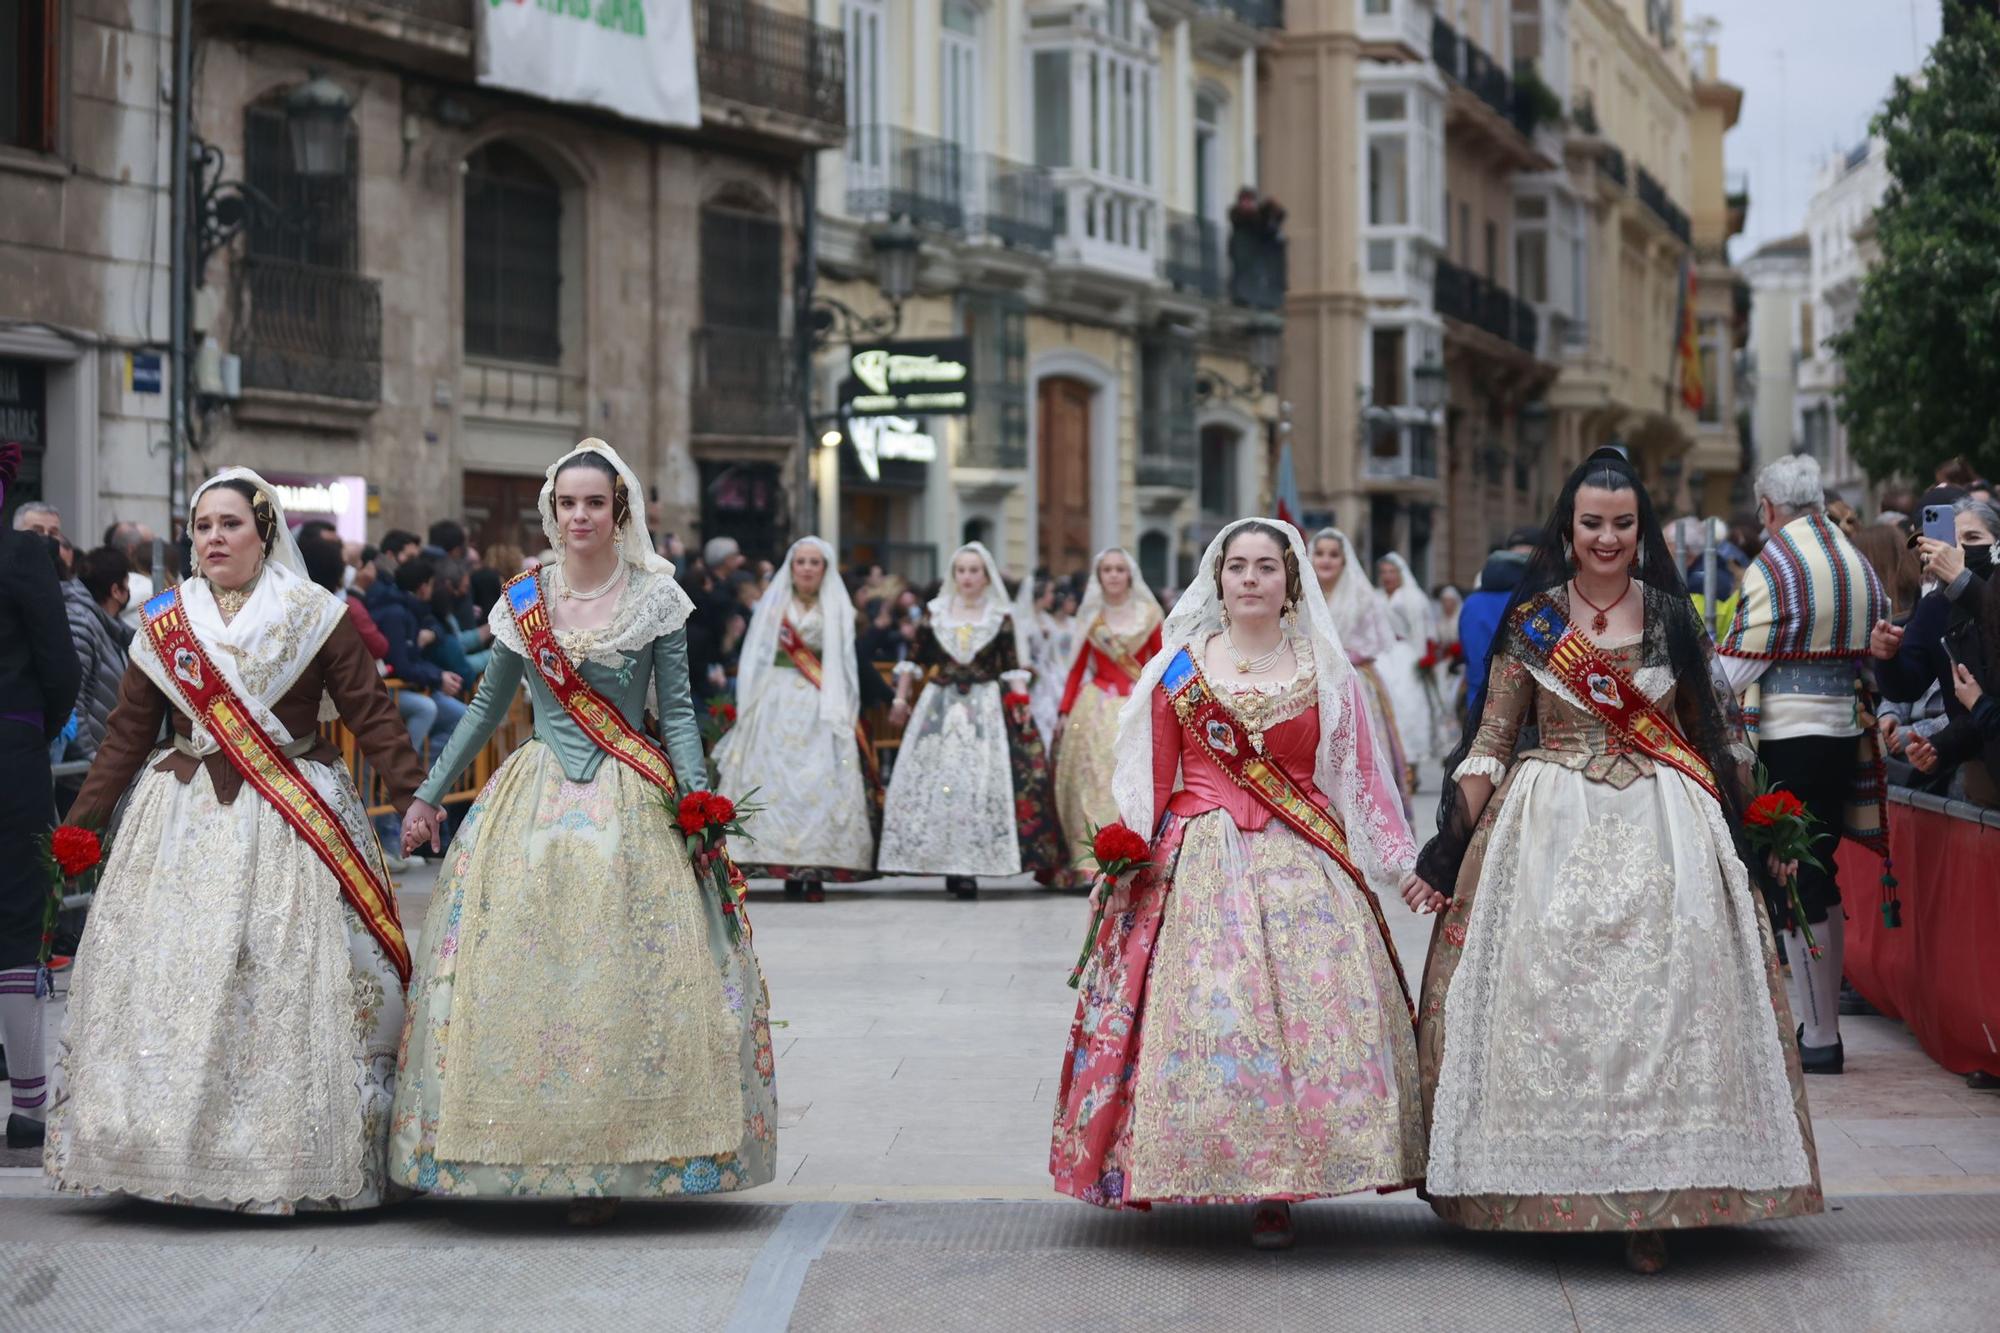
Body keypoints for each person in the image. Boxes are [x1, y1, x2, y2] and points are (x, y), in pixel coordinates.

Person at [1405, 447, 1821, 1275]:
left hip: (1671, 827)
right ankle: (1553, 1185)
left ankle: (1659, 1200)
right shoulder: (1534, 625)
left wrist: (1763, 831)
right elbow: (1491, 743)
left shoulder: (1674, 616)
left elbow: (1719, 734)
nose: (1606, 537)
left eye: (1622, 524)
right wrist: (1446, 851)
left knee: (1671, 1003)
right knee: (1553, 998)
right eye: (1592, 522)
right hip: (1549, 825)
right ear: (1569, 526)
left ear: (1642, 530)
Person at [388, 440, 774, 1217]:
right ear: (552, 509)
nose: (579, 516)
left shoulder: (657, 599)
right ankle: (517, 1143)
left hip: (629, 797)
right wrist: (427, 796)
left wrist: (699, 808)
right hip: (531, 800)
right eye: (567, 503)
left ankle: (615, 1151)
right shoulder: (524, 599)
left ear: (619, 511)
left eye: (594, 503)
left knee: (620, 973)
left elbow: (678, 715)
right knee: (523, 971)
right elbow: (486, 710)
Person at [46, 469, 421, 1204]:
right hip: (183, 816)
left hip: (294, 818)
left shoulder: (316, 614)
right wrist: (79, 830)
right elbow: (126, 736)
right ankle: (162, 1155)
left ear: (265, 532)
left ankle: (293, 1157)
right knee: (172, 984)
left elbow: (372, 713)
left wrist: (414, 796)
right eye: (202, 526)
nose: (213, 538)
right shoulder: (166, 622)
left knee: (286, 980)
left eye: (230, 524)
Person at [1051, 519, 1423, 1249]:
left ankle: (1280, 1187)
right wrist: (1120, 864)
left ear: (1290, 584)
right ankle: (1185, 1160)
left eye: (1265, 568)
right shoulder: (1181, 666)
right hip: (1197, 859)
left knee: (1308, 1020)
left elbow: (1360, 777)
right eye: (1237, 567)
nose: (1250, 579)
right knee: (1210, 1018)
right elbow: (1155, 777)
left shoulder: (1324, 667)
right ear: (1217, 581)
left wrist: (1403, 866)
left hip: (1301, 854)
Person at [1716, 453, 1891, 1077]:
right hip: (1843, 730)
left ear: (1768, 509)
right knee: (1815, 869)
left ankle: (1819, 1034)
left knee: (1796, 873)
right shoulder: (1854, 559)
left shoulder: (1779, 563)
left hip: (1790, 737)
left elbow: (1738, 665)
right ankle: (1819, 1027)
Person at [877, 542, 1062, 898]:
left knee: (979, 782)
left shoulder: (999, 616)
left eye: (974, 570)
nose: (967, 577)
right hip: (939, 705)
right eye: (961, 570)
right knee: (941, 780)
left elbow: (1011, 667)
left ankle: (970, 863)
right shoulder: (934, 613)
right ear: (953, 574)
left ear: (985, 574)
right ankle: (943, 858)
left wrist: (1021, 705)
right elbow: (915, 660)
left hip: (984, 706)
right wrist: (900, 699)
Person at [714, 537, 882, 901]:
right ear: (791, 567)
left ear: (825, 569)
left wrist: (844, 704)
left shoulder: (838, 607)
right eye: (800, 562)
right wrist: (748, 706)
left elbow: (845, 662)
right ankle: (779, 864)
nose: (806, 568)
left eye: (814, 562)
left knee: (819, 777)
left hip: (821, 700)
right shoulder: (774, 606)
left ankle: (815, 868)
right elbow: (754, 658)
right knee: (772, 778)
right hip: (775, 699)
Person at [0, 445, 81, 1150]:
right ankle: (27, 1107)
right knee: (19, 918)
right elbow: (62, 665)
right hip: (10, 754)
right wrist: (34, 730)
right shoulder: (24, 557)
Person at [1051, 549, 1163, 888]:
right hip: (1097, 706)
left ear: (1130, 574)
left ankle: (1126, 853)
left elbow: (1159, 662)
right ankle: (1089, 859)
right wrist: (1064, 710)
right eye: (1106, 570)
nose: (1113, 575)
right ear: (1098, 577)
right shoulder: (1092, 619)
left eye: (1119, 569)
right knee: (1092, 780)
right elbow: (1075, 670)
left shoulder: (1149, 615)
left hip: (1137, 705)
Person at [1873, 497, 1997, 800]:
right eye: (1951, 541)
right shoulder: (1935, 607)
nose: (1958, 550)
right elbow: (1906, 685)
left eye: (1972, 538)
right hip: (1983, 769)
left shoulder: (1984, 597)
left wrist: (1963, 582)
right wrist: (1887, 656)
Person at [1311, 528, 1413, 817]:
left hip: (1354, 681)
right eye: (1320, 554)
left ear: (1344, 560)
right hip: (1311, 682)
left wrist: (1339, 658)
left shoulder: (1361, 595)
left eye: (1333, 554)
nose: (1326, 560)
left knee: (1360, 757)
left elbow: (1376, 642)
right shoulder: (1301, 594)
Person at [368, 558, 466, 765]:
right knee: (426, 708)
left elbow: (431, 632)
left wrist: (439, 675)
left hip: (411, 686)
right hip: (389, 689)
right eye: (431, 585)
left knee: (463, 717)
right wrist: (438, 677)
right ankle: (405, 777)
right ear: (423, 587)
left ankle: (428, 782)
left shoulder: (411, 610)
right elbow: (401, 664)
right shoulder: (395, 614)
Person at [1458, 528, 1541, 722]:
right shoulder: (1531, 601)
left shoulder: (1472, 602)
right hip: (1523, 703)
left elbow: (1468, 650)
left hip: (1479, 700)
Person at [1374, 551, 1443, 765]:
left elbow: (1426, 629)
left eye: (1392, 572)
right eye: (1384, 572)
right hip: (1382, 653)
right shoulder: (1376, 596)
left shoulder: (1413, 597)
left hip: (1406, 652)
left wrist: (1426, 657)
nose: (1387, 576)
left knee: (1408, 702)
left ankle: (1411, 754)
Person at [1017, 574, 1076, 748]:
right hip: (1031, 679)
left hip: (1049, 677)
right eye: (1049, 592)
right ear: (1039, 594)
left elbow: (1054, 654)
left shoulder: (1047, 620)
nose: (1053, 597)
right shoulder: (1023, 622)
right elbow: (1022, 655)